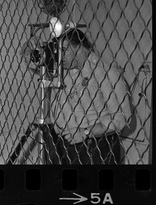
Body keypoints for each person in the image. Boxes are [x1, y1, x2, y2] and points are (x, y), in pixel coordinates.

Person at [49, 28, 132, 164]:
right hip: (62, 146)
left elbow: (122, 117)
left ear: (80, 48)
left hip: (95, 149)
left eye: (64, 51)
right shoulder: (64, 70)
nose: (59, 56)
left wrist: (85, 132)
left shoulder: (106, 72)